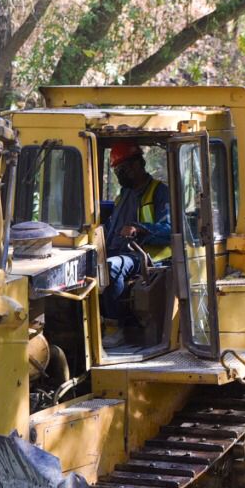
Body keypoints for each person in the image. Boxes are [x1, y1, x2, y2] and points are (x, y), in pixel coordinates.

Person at [101, 141, 170, 344]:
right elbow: (112, 228)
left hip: (145, 255)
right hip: (119, 250)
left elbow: (170, 230)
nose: (119, 174)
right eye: (117, 170)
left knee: (110, 268)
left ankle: (115, 329)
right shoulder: (124, 195)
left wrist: (140, 229)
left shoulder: (159, 192)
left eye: (123, 169)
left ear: (138, 164)